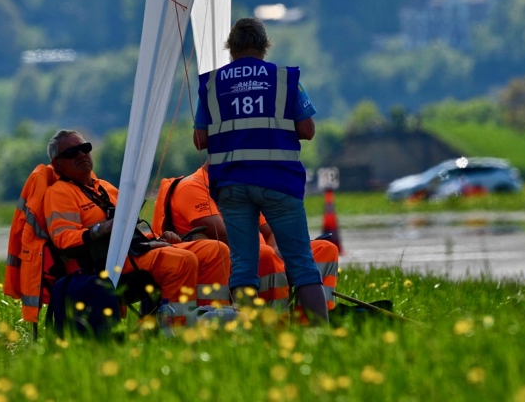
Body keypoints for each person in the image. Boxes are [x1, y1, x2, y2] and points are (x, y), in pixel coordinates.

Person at [193, 17, 328, 323]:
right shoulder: (285, 79)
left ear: (231, 47)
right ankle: (322, 334)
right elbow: (308, 130)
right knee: (302, 264)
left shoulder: (212, 84)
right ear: (265, 45)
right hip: (279, 182)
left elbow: (199, 139)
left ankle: (249, 335)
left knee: (242, 264)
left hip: (231, 184)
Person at [43, 130, 231, 323]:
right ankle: (177, 330)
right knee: (183, 260)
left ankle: (211, 319)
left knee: (215, 250)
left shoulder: (106, 188)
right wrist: (102, 229)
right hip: (104, 265)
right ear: (57, 163)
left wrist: (158, 239)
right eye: (71, 152)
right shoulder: (59, 193)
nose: (81, 154)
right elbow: (63, 240)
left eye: (85, 148)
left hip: (135, 252)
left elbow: (131, 232)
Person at [151, 162, 338, 315]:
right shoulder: (192, 186)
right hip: (225, 263)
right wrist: (270, 254)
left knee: (325, 249)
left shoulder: (243, 184)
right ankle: (272, 328)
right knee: (263, 254)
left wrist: (277, 252)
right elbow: (226, 234)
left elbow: (271, 231)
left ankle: (314, 325)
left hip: (259, 255)